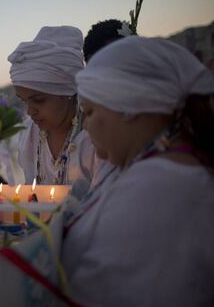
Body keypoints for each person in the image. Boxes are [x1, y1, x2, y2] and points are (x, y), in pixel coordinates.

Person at [61, 36, 214, 305]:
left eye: (91, 111)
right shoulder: (157, 169)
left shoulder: (163, 185)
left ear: (128, 106)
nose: (86, 126)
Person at [8, 26, 103, 197]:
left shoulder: (94, 136)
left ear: (67, 92)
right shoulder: (30, 134)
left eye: (38, 100)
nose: (30, 111)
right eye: (24, 101)